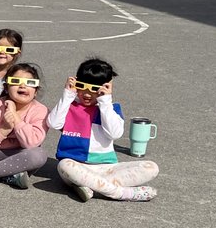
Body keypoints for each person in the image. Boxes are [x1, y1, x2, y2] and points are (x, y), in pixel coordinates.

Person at [47, 57, 159, 202]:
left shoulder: (110, 109)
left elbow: (115, 133)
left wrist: (106, 102)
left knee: (151, 167)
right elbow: (53, 123)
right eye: (82, 86)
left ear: (104, 88)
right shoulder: (69, 105)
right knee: (64, 165)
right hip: (76, 167)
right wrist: (67, 94)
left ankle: (90, 186)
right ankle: (120, 193)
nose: (87, 93)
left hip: (107, 168)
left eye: (94, 89)